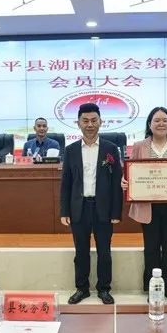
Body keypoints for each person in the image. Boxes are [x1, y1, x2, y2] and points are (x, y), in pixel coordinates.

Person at [122, 107, 167, 304]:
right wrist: (125, 181)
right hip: (148, 206)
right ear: (149, 124)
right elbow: (130, 171)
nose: (161, 124)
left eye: (165, 120)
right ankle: (152, 288)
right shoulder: (139, 146)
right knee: (151, 248)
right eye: (157, 120)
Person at [60, 103, 123, 305]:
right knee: (81, 252)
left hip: (103, 208)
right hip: (79, 208)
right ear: (78, 123)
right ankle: (82, 288)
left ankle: (104, 289)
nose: (90, 125)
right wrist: (64, 211)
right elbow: (66, 183)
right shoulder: (70, 150)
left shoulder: (110, 149)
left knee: (104, 252)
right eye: (85, 121)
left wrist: (116, 212)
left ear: (100, 122)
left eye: (94, 120)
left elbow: (116, 182)